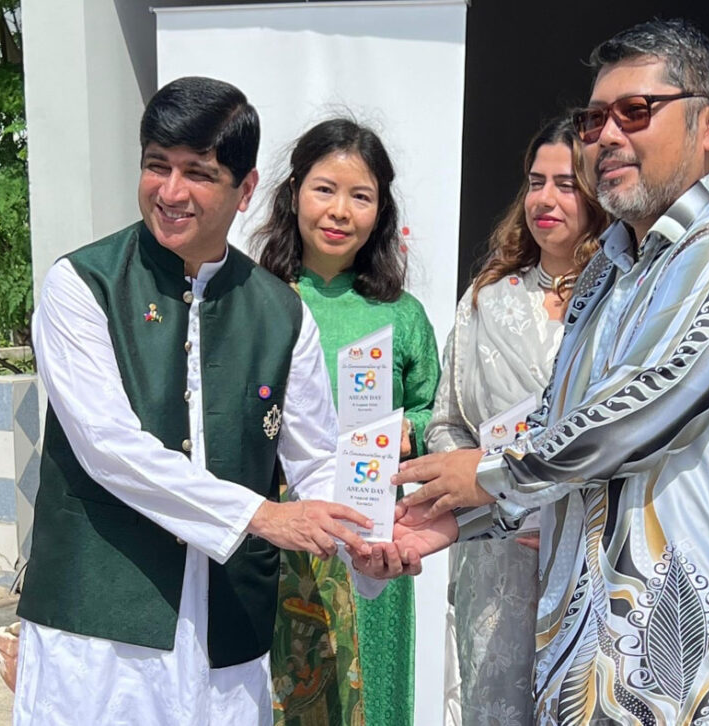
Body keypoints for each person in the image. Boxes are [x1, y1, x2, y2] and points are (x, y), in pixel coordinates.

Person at [392, 19, 709, 725]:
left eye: (635, 112)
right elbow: (558, 427)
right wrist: (452, 521)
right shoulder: (607, 272)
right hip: (591, 668)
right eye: (595, 119)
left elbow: (646, 409)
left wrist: (491, 474)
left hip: (708, 673)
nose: (607, 137)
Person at [14, 77, 381, 726]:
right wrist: (260, 516)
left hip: (228, 632)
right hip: (99, 632)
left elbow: (316, 460)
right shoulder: (82, 285)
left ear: (246, 188)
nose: (171, 191)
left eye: (198, 173)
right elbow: (108, 448)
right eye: (157, 165)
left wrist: (366, 539)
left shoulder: (281, 313)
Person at [256, 118, 440, 726]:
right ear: (293, 194)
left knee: (372, 701)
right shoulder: (255, 300)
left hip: (371, 535)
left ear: (380, 211)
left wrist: (410, 431)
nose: (339, 211)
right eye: (324, 189)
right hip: (277, 536)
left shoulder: (403, 316)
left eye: (360, 196)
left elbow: (437, 414)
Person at [425, 117, 609, 726]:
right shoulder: (488, 298)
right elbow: (448, 424)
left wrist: (557, 507)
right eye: (535, 182)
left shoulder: (623, 301)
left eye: (566, 184)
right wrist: (491, 491)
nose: (544, 200)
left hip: (590, 557)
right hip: (497, 560)